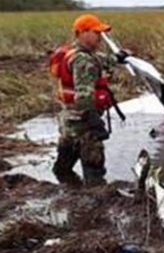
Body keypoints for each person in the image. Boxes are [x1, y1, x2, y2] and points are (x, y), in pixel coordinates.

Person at [49, 14, 127, 185]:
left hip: (69, 121)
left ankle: (67, 192)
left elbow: (102, 60)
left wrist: (118, 58)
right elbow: (84, 96)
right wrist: (94, 122)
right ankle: (92, 205)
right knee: (95, 176)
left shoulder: (76, 53)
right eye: (96, 32)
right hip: (84, 125)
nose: (100, 37)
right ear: (82, 33)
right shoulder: (83, 60)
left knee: (63, 168)